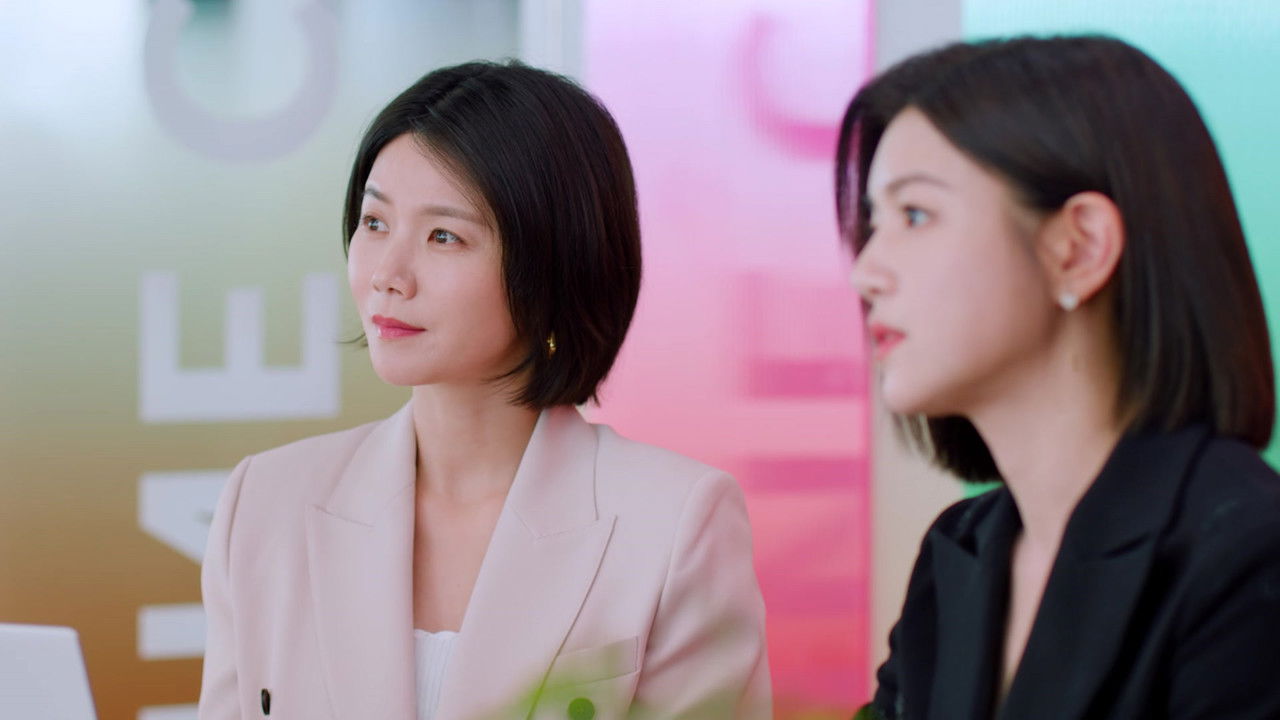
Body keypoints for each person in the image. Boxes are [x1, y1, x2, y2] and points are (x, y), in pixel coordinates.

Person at [197, 60, 771, 720]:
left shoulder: (676, 523)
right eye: (375, 222)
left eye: (444, 236)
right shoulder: (265, 502)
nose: (388, 274)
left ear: (553, 263)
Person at [840, 36, 1280, 719]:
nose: (866, 272)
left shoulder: (1249, 554)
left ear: (1080, 248)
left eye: (915, 215)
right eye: (872, 222)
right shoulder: (959, 552)